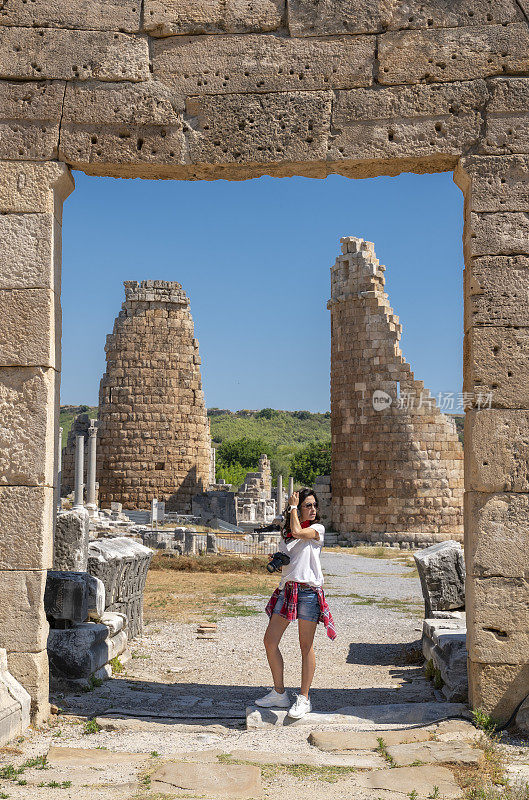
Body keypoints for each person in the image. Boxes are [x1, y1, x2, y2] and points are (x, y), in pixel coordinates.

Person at [255, 487, 336, 719]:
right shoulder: (287, 533)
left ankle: (304, 697)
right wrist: (278, 560)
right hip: (288, 589)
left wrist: (292, 508)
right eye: (307, 505)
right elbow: (291, 552)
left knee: (305, 646)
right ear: (299, 509)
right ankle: (279, 693)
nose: (312, 509)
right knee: (270, 641)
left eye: (314, 505)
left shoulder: (316, 529)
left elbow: (299, 532)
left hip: (309, 592)